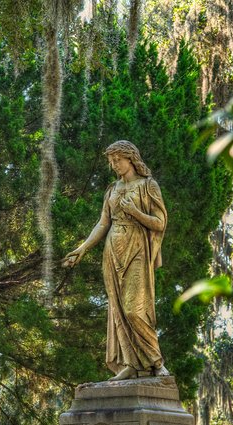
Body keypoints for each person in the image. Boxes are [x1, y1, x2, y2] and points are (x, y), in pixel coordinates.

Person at [63, 140, 169, 380]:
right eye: (111, 162)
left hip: (138, 248)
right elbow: (103, 223)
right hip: (113, 250)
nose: (114, 166)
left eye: (117, 160)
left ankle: (156, 361)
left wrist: (135, 213)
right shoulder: (112, 189)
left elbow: (160, 223)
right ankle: (130, 363)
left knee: (134, 310)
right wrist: (81, 249)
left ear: (131, 158)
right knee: (119, 311)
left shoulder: (148, 185)